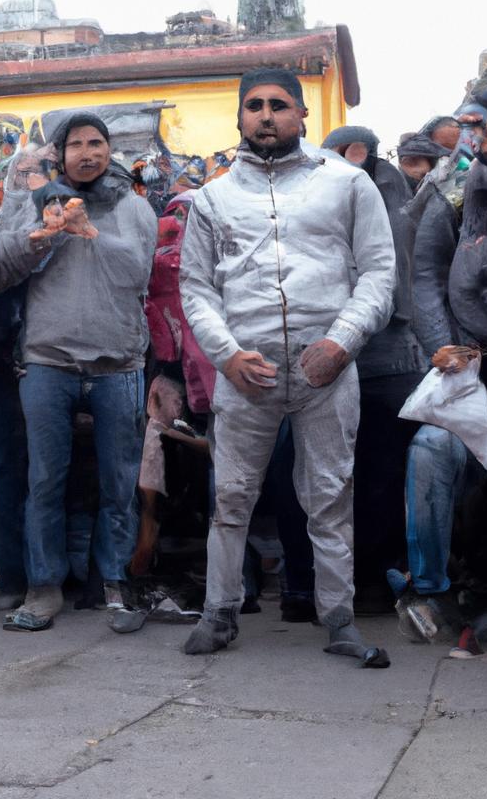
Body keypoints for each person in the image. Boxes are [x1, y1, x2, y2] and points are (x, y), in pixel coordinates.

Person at [179, 69, 396, 666]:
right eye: (254, 106)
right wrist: (226, 354)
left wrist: (342, 342)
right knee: (232, 496)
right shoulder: (213, 197)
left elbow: (379, 271)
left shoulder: (347, 184)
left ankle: (339, 618)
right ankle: (219, 613)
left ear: (302, 115)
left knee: (329, 494)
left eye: (279, 105)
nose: (266, 116)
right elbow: (195, 288)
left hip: (326, 364)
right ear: (240, 118)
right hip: (245, 370)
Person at [0, 114, 158, 632]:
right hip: (47, 359)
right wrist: (40, 236)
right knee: (45, 480)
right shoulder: (32, 202)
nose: (87, 154)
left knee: (118, 482)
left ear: (109, 151)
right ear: (59, 153)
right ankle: (43, 588)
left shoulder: (134, 207)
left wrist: (88, 233)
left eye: (97, 144)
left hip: (119, 362)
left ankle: (114, 583)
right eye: (76, 145)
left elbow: (139, 273)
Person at [321, 125, 427, 614]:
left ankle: (367, 579)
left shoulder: (371, 191)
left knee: (365, 474)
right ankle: (370, 579)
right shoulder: (393, 189)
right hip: (361, 355)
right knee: (363, 475)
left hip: (374, 357)